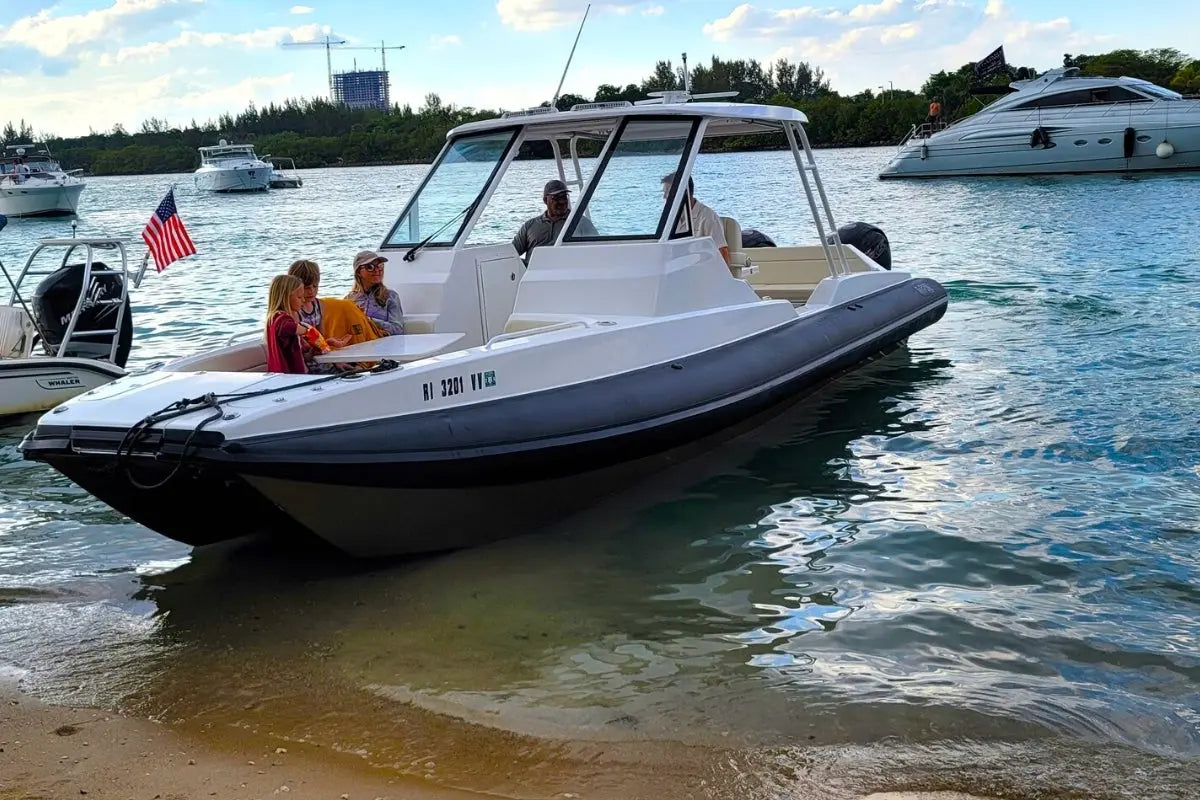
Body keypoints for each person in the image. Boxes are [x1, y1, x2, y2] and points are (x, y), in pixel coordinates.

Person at [287, 259, 353, 373]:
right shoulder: (294, 312)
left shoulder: (319, 305)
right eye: (307, 288)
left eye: (315, 286)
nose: (312, 291)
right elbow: (299, 348)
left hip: (321, 357)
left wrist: (335, 359)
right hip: (305, 362)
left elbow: (322, 339)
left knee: (356, 369)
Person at [511, 179, 597, 263]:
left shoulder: (580, 223)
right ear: (545, 200)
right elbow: (510, 255)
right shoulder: (529, 226)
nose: (562, 201)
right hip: (532, 276)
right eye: (556, 198)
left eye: (564, 196)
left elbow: (596, 250)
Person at [660, 171, 730, 265]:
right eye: (664, 193)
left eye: (668, 192)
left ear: (684, 193)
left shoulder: (708, 217)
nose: (664, 197)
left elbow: (723, 254)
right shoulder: (669, 219)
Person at [346, 250, 405, 335]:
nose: (377, 270)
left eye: (380, 266)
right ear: (358, 272)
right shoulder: (349, 300)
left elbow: (398, 329)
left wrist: (370, 320)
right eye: (370, 267)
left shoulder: (391, 296)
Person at [265, 274, 307, 374]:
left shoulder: (272, 318)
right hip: (289, 375)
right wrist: (306, 330)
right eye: (299, 297)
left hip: (278, 373)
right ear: (285, 297)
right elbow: (287, 327)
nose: (303, 300)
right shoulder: (281, 318)